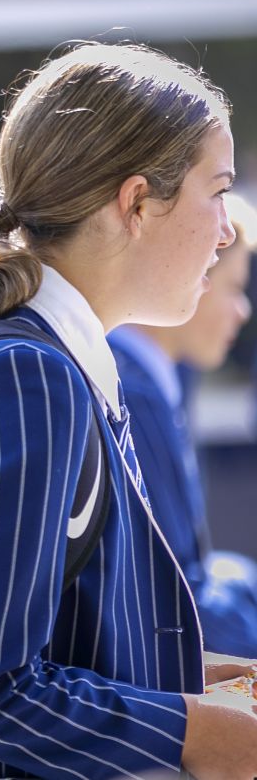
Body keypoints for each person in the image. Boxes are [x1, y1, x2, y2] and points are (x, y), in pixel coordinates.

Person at [0, 41, 257, 778]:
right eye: (218, 190)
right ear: (136, 203)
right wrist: (194, 734)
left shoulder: (42, 362)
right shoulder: (26, 378)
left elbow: (64, 643)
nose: (227, 230)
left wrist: (201, 681)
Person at [109, 192, 257, 658]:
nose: (243, 310)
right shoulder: (134, 394)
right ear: (197, 279)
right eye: (235, 288)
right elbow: (178, 602)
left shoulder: (156, 384)